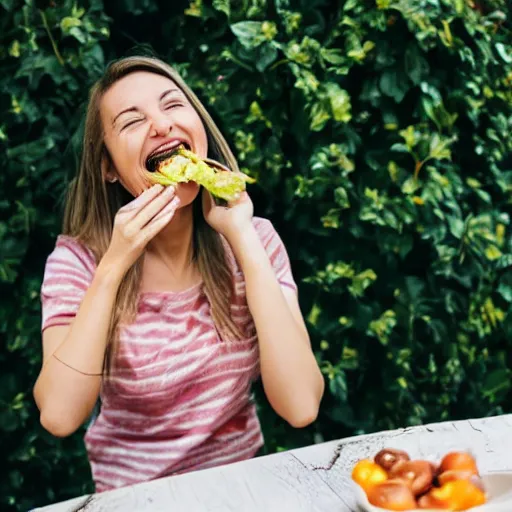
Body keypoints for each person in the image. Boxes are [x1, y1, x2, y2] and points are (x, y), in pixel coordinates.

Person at [33, 56, 324, 493]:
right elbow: (58, 414)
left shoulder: (253, 241)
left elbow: (301, 405)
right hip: (134, 500)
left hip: (240, 494)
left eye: (173, 105)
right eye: (132, 121)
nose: (162, 125)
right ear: (109, 167)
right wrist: (113, 266)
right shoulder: (79, 263)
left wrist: (243, 237)